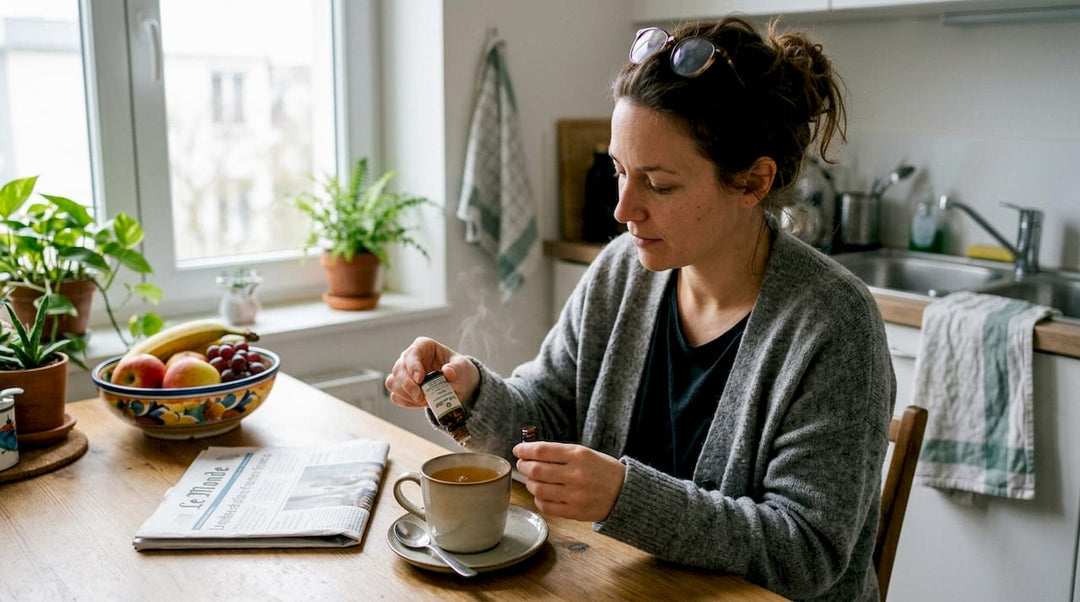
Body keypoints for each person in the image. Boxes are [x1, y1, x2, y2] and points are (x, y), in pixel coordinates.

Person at [386, 17, 894, 601]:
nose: (623, 209)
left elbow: (806, 552)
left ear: (753, 182)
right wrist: (471, 391)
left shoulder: (834, 324)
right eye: (620, 172)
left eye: (658, 184)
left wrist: (626, 498)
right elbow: (543, 415)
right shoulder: (621, 271)